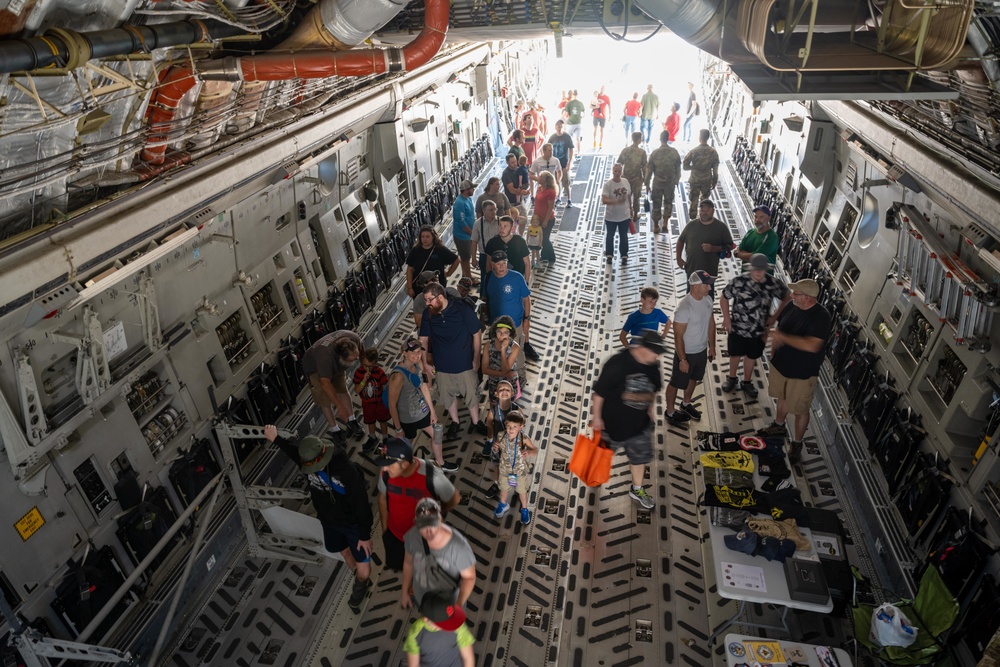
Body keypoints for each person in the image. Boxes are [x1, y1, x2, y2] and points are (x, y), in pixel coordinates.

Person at [263, 426, 373, 612]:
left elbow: (361, 503)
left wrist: (364, 534)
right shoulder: (307, 459)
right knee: (344, 552)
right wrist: (276, 438)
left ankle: (361, 583)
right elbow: (292, 451)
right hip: (329, 522)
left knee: (364, 568)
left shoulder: (345, 470)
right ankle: (360, 579)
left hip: (352, 525)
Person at [591, 330, 665, 510]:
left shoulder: (652, 365)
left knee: (639, 460)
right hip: (612, 426)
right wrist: (597, 417)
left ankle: (637, 489)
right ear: (642, 348)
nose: (657, 356)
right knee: (602, 457)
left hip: (640, 427)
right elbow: (599, 393)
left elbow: (654, 388)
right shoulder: (618, 364)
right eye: (655, 351)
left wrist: (650, 409)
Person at [765, 278, 832, 464]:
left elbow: (812, 345)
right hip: (782, 365)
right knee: (783, 397)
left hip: (802, 373)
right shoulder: (791, 306)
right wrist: (773, 355)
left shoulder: (821, 317)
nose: (792, 295)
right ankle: (778, 426)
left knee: (800, 409)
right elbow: (780, 330)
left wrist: (783, 339)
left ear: (808, 297)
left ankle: (797, 443)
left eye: (796, 293)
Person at [376, 438, 460, 571]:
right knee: (402, 567)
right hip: (395, 536)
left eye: (389, 464)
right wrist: (385, 531)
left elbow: (453, 498)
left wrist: (440, 515)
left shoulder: (432, 476)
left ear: (404, 464)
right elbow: (382, 498)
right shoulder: (386, 473)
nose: (385, 468)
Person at [419, 282, 485, 438]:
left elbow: (476, 333)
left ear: (440, 297)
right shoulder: (428, 314)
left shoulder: (462, 309)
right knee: (447, 396)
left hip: (465, 363)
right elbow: (423, 339)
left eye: (430, 300)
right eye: (425, 300)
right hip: (442, 366)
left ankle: (476, 422)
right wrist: (426, 364)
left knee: (471, 394)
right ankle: (455, 422)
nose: (427, 303)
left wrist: (476, 359)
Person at [720, 253, 791, 397]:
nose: (759, 272)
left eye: (762, 269)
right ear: (751, 268)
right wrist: (726, 318)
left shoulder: (772, 283)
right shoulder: (739, 282)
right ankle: (732, 378)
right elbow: (724, 297)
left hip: (759, 330)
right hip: (738, 328)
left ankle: (747, 382)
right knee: (735, 355)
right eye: (756, 269)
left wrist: (775, 316)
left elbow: (787, 296)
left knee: (751, 356)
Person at [387, 338, 457, 472]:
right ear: (404, 353)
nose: (416, 355)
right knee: (407, 445)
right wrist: (398, 429)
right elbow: (392, 404)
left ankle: (440, 463)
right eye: (412, 352)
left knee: (437, 435)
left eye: (418, 352)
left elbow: (424, 387)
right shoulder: (397, 376)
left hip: (422, 411)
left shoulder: (418, 364)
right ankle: (403, 469)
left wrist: (432, 411)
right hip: (407, 418)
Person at [401, 498, 476, 611]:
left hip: (449, 605)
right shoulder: (412, 536)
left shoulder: (458, 547)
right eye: (424, 526)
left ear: (440, 519)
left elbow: (469, 577)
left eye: (432, 525)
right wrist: (404, 591)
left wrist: (458, 606)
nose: (429, 531)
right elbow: (408, 563)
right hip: (423, 600)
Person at [664, 271, 716, 425]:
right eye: (706, 285)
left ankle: (686, 404)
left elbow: (711, 322)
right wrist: (682, 359)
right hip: (686, 353)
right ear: (695, 287)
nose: (710, 288)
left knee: (694, 378)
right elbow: (678, 337)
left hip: (701, 351)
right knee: (675, 382)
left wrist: (712, 345)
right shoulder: (684, 308)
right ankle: (670, 412)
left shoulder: (707, 300)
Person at [302, 330, 365, 446]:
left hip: (335, 365)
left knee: (342, 389)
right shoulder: (325, 358)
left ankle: (352, 420)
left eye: (357, 355)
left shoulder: (355, 339)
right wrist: (340, 407)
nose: (357, 359)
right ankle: (335, 430)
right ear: (342, 358)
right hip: (315, 369)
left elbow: (362, 357)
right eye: (353, 359)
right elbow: (325, 384)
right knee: (325, 400)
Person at [484, 250, 534, 365]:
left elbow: (526, 300)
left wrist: (527, 319)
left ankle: (520, 376)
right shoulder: (488, 278)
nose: (502, 266)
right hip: (496, 327)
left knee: (517, 352)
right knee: (498, 352)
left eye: (504, 263)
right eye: (498, 264)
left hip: (515, 325)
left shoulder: (517, 277)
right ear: (492, 265)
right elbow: (486, 297)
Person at [403, 591, 476, 667]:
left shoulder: (457, 624)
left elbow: (468, 658)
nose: (451, 622)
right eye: (444, 621)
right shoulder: (415, 632)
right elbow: (414, 665)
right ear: (426, 618)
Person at [491, 411, 538, 524]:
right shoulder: (501, 436)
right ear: (506, 424)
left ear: (521, 427)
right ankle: (503, 504)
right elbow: (496, 448)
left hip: (519, 471)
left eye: (515, 427)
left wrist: (529, 453)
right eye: (509, 426)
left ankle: (525, 509)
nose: (511, 430)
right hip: (505, 471)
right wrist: (495, 447)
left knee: (521, 491)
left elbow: (535, 450)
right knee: (504, 489)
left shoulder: (524, 438)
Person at [676, 199, 733, 289]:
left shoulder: (721, 227)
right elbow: (680, 240)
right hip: (691, 269)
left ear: (713, 210)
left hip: (708, 273)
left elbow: (730, 246)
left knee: (707, 297)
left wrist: (713, 249)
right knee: (691, 296)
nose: (704, 213)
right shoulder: (691, 225)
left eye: (708, 210)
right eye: (702, 210)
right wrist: (678, 258)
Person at [353, 347, 391, 452]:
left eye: (370, 366)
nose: (367, 369)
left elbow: (384, 387)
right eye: (364, 365)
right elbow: (357, 390)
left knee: (383, 421)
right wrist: (364, 379)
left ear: (375, 364)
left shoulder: (379, 372)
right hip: (367, 404)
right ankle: (372, 437)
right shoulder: (358, 373)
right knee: (370, 422)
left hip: (380, 403)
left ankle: (385, 438)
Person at [406, 225, 459, 297]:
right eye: (423, 237)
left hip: (437, 287)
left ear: (433, 237)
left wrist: (448, 273)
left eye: (427, 237)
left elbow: (456, 260)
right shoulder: (415, 251)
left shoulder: (440, 250)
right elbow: (410, 270)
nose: (425, 239)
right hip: (419, 288)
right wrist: (409, 288)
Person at [645, 130, 681, 234]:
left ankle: (656, 226)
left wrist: (647, 184)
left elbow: (649, 171)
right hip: (669, 184)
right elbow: (678, 168)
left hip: (657, 183)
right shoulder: (674, 152)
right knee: (668, 202)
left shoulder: (655, 153)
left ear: (660, 139)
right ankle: (665, 223)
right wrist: (676, 181)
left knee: (656, 204)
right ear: (668, 138)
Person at [481, 316, 520, 402]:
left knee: (508, 407)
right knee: (494, 406)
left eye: (505, 332)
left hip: (509, 385)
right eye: (499, 332)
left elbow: (505, 369)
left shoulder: (515, 347)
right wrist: (504, 374)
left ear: (510, 333)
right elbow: (484, 369)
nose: (502, 335)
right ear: (495, 331)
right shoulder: (488, 345)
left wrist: (503, 350)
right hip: (494, 383)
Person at [683, 129, 719, 219]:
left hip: (695, 179)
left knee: (693, 199)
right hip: (707, 180)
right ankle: (704, 217)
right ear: (708, 138)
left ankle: (692, 218)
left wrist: (694, 168)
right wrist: (714, 181)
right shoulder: (713, 152)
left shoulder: (694, 151)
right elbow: (715, 169)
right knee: (705, 200)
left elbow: (685, 166)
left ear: (700, 138)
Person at [484, 214, 531, 283]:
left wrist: (526, 282)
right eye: (500, 226)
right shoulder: (492, 242)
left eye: (505, 226)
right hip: (499, 280)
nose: (502, 229)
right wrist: (490, 280)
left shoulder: (520, 241)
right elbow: (488, 262)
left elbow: (527, 263)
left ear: (512, 228)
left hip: (517, 279)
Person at [602, 163, 632, 263]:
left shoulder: (625, 182)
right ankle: (609, 255)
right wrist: (616, 202)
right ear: (612, 172)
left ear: (621, 172)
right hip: (611, 217)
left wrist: (631, 208)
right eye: (615, 171)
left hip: (624, 215)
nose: (617, 173)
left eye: (619, 171)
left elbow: (628, 195)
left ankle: (624, 256)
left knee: (624, 236)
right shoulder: (608, 185)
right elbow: (604, 200)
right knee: (610, 236)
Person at [735, 205, 780, 269]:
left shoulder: (772, 237)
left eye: (761, 217)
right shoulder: (750, 232)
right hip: (746, 276)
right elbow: (740, 248)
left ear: (768, 218)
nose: (757, 220)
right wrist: (749, 256)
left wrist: (739, 255)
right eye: (756, 217)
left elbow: (756, 258)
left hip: (763, 277)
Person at [483, 379, 521, 456]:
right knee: (498, 456)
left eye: (507, 390)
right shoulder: (493, 409)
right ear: (496, 394)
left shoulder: (516, 408)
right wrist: (490, 436)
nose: (504, 391)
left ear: (512, 393)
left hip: (512, 437)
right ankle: (489, 442)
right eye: (501, 389)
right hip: (498, 438)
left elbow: (523, 421)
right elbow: (489, 423)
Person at [617, 131, 647, 222]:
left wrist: (619, 174)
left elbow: (619, 163)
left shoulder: (625, 150)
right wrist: (646, 180)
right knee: (636, 198)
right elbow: (644, 167)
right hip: (637, 179)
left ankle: (625, 214)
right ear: (638, 140)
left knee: (625, 196)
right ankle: (635, 215)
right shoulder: (642, 152)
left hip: (626, 179)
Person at [470, 200, 500, 287]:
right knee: (485, 278)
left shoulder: (500, 221)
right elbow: (474, 241)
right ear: (484, 211)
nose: (493, 212)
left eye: (495, 209)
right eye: (491, 210)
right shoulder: (478, 223)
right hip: (484, 255)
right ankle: (484, 297)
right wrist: (474, 258)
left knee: (499, 277)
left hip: (498, 255)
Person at [452, 180, 475, 284]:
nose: (473, 190)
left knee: (467, 256)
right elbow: (461, 222)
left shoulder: (468, 199)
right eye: (472, 188)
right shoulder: (459, 203)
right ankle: (469, 278)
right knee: (465, 257)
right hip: (462, 236)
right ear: (466, 190)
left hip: (468, 235)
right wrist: (472, 233)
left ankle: (465, 275)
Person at [547, 120, 576, 207]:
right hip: (555, 163)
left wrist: (569, 162)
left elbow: (571, 149)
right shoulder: (552, 138)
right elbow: (548, 148)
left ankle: (569, 199)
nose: (559, 127)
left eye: (561, 125)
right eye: (558, 125)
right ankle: (559, 198)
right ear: (555, 127)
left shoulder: (567, 137)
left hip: (564, 162)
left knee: (566, 182)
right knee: (557, 181)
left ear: (563, 127)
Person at [533, 170, 558, 267]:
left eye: (541, 177)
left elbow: (550, 207)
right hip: (538, 218)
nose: (539, 178)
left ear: (546, 180)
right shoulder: (540, 188)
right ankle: (545, 255)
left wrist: (546, 220)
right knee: (541, 238)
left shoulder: (551, 192)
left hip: (547, 219)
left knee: (545, 239)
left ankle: (551, 257)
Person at [502, 153, 530, 224]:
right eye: (512, 162)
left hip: (520, 199)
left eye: (515, 161)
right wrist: (522, 192)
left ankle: (520, 234)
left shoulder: (518, 169)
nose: (515, 164)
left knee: (524, 219)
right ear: (507, 163)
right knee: (514, 222)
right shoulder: (506, 173)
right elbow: (511, 190)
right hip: (511, 202)